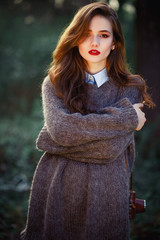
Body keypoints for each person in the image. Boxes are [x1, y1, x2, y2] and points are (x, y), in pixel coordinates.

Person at [21, 2, 154, 240]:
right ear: (75, 39)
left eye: (103, 35)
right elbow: (61, 132)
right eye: (86, 34)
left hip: (108, 193)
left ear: (114, 43)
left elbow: (108, 150)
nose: (94, 42)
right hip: (56, 188)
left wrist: (58, 141)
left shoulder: (131, 88)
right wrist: (126, 117)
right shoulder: (54, 83)